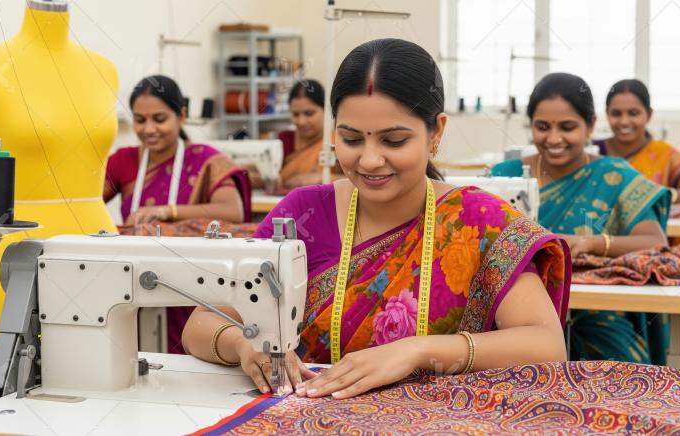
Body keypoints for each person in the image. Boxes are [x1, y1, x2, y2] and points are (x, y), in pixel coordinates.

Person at [183, 39, 570, 399]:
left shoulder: (476, 222)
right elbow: (200, 325)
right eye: (351, 140)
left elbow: (547, 345)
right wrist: (242, 345)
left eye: (393, 141)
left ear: (436, 132)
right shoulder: (302, 213)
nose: (368, 160)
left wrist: (416, 351)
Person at [492, 72, 671, 364]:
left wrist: (590, 242)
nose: (553, 138)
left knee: (617, 372)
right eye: (542, 127)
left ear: (590, 125)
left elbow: (654, 240)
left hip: (596, 318)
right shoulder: (504, 174)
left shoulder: (614, 175)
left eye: (567, 127)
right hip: (514, 320)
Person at [104, 75, 252, 353]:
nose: (148, 129)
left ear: (181, 115)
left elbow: (233, 210)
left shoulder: (205, 160)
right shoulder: (124, 161)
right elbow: (86, 199)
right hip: (135, 280)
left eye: (159, 119)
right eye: (140, 120)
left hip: (191, 288)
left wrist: (167, 212)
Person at [597, 79, 680, 204]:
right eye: (616, 114)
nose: (624, 121)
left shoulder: (664, 153)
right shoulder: (592, 151)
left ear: (649, 114)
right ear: (607, 114)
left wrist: (659, 196)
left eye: (633, 113)